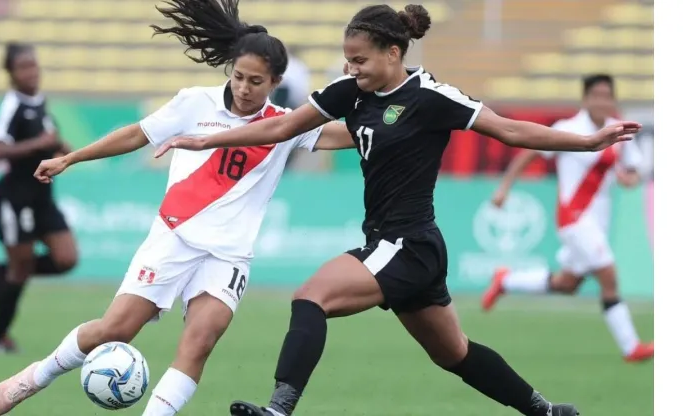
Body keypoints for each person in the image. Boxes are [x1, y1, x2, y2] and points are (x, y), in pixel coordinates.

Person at [153, 5, 641, 416]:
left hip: (407, 243)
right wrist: (207, 137)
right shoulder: (350, 93)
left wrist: (586, 142)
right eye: (347, 59)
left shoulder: (431, 97)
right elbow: (280, 128)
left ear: (393, 52)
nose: (352, 69)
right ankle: (545, 410)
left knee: (310, 298)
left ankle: (279, 409)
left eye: (359, 59)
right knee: (455, 353)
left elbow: (509, 129)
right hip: (392, 243)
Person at [0, 1, 354, 415]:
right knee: (115, 329)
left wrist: (398, 112)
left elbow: (348, 135)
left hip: (228, 254)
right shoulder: (194, 103)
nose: (244, 88)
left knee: (199, 343)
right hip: (173, 238)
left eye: (256, 81)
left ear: (276, 82)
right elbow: (135, 135)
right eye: (238, 77)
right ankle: (37, 376)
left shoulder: (286, 124)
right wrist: (72, 158)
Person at [482, 74, 654, 363]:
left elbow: (634, 171)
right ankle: (631, 347)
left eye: (606, 95)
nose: (601, 101)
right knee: (608, 276)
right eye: (595, 95)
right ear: (585, 99)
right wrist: (505, 187)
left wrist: (629, 178)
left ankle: (507, 280)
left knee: (568, 283)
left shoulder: (618, 131)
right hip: (573, 219)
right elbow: (531, 152)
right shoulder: (568, 128)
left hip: (599, 221)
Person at [0, 42, 78, 354]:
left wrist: (67, 151)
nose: (32, 71)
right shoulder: (12, 104)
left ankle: (1, 272)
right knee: (20, 269)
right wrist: (39, 143)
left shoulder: (39, 102)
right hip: (16, 197)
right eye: (24, 66)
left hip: (42, 197)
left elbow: (49, 140)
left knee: (66, 259)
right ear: (11, 73)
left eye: (34, 65)